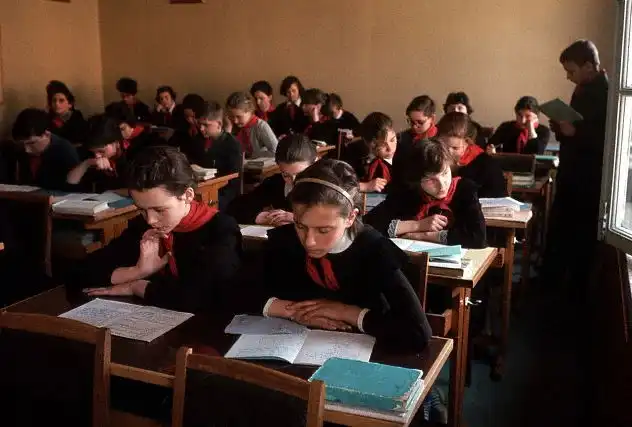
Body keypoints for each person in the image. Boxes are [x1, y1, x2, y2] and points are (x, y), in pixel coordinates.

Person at [260, 158, 432, 351]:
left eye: (324, 230)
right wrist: (293, 311)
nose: (309, 241)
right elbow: (238, 292)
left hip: (366, 351)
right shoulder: (286, 239)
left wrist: (346, 312)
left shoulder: (375, 251)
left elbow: (417, 333)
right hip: (296, 345)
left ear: (350, 217)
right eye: (300, 226)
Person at [71, 146, 242, 311]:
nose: (151, 220)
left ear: (187, 195)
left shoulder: (221, 229)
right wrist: (136, 271)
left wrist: (138, 287)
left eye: (160, 210)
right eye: (142, 209)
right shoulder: (142, 227)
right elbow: (80, 273)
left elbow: (204, 297)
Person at [541, 40, 609, 294]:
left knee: (580, 235)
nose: (568, 77)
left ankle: (573, 291)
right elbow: (573, 130)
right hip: (571, 172)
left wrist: (573, 132)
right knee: (560, 229)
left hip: (588, 178)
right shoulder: (583, 88)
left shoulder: (605, 93)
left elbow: (605, 139)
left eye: (571, 71)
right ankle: (553, 284)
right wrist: (560, 127)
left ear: (589, 66)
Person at [364, 139, 486, 248]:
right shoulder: (409, 192)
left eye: (444, 173)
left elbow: (478, 238)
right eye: (431, 180)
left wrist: (423, 235)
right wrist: (417, 226)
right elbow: (368, 223)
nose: (442, 185)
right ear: (418, 180)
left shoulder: (464, 188)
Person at [226, 134, 317, 225]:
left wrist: (296, 218)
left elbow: (325, 219)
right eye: (286, 175)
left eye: (300, 174)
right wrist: (261, 217)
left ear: (315, 163)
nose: (294, 181)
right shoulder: (275, 183)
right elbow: (234, 208)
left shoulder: (323, 186)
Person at [437, 112, 506, 198]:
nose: (447, 152)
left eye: (455, 148)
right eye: (442, 146)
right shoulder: (430, 159)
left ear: (468, 143)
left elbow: (497, 199)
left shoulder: (487, 166)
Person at [10, 108, 79, 191]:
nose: (26, 150)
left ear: (46, 134)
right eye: (22, 144)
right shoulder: (18, 149)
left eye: (32, 143)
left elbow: (72, 188)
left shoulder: (64, 150)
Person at [190, 101, 242, 209]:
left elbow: (233, 183)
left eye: (206, 125)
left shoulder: (232, 145)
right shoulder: (198, 140)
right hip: (200, 190)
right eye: (199, 124)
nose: (201, 128)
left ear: (219, 124)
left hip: (222, 196)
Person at [66, 116, 134, 192]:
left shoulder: (132, 155)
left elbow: (137, 191)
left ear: (116, 143)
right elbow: (70, 182)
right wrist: (87, 163)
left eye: (101, 151)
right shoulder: (87, 152)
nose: (97, 156)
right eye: (93, 152)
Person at [348, 112, 397, 193]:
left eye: (392, 140)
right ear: (368, 143)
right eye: (382, 144)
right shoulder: (355, 152)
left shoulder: (405, 148)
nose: (390, 148)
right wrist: (365, 186)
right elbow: (340, 184)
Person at [226, 91, 278, 158]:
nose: (235, 121)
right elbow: (225, 151)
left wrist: (250, 155)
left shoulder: (260, 126)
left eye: (239, 117)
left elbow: (276, 152)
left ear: (250, 111)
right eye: (232, 116)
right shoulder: (231, 125)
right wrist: (228, 129)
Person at [46, 80, 88, 145]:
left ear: (70, 104)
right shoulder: (47, 120)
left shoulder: (78, 122)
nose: (57, 104)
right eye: (54, 100)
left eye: (61, 100)